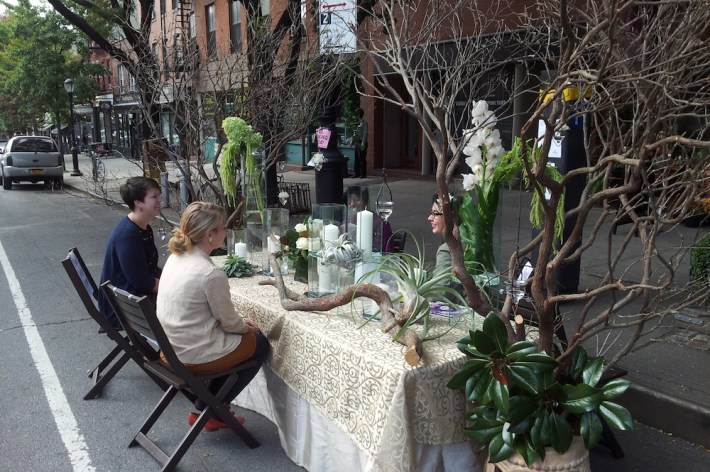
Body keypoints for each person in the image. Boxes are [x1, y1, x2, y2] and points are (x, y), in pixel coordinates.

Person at [156, 202, 269, 431]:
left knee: (241, 339)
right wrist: (247, 328)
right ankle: (215, 409)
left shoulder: (175, 258)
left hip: (170, 349)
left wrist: (238, 325)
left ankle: (206, 407)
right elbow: (228, 321)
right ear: (209, 235)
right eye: (223, 229)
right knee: (259, 344)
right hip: (191, 355)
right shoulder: (210, 273)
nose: (226, 232)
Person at [98, 177, 163, 329]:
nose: (160, 199)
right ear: (138, 203)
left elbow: (151, 269)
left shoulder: (143, 227)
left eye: (159, 195)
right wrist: (174, 288)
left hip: (131, 299)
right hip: (123, 308)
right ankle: (170, 352)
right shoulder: (128, 235)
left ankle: (170, 351)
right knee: (184, 308)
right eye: (154, 196)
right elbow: (142, 281)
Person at [344, 186, 393, 253]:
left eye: (357, 200)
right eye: (349, 202)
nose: (352, 204)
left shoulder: (380, 223)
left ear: (366, 202)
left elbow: (386, 251)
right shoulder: (347, 222)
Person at [353, 108, 368, 178]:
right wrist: (352, 141)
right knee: (356, 158)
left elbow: (365, 134)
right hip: (357, 142)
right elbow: (355, 133)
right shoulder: (357, 122)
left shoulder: (364, 122)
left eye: (356, 113)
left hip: (361, 142)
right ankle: (356, 173)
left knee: (362, 159)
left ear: (359, 114)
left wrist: (363, 144)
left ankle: (363, 174)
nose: (355, 115)